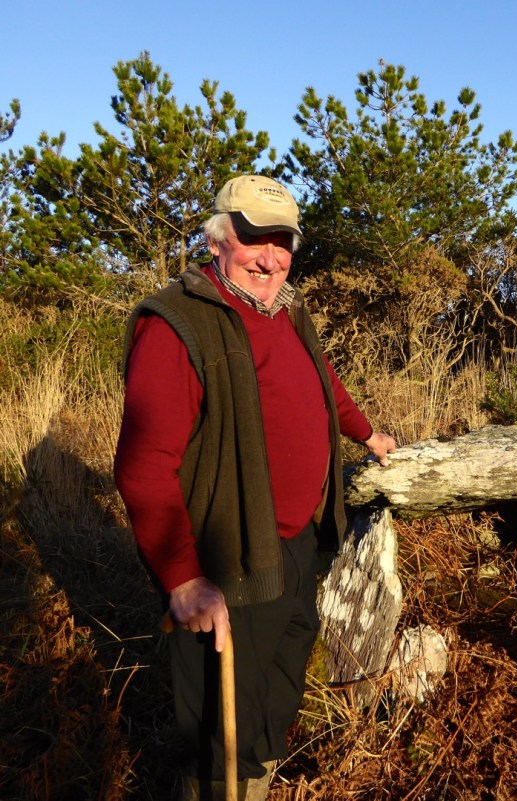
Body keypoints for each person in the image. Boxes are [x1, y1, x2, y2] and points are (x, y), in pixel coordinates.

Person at [114, 174, 397, 800]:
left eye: (282, 241)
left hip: (299, 543)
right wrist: (183, 579)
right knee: (219, 735)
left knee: (276, 694)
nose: (269, 257)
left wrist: (367, 433)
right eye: (253, 237)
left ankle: (259, 788)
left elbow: (323, 383)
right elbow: (142, 467)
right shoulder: (177, 324)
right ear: (218, 238)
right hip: (229, 555)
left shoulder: (287, 308)